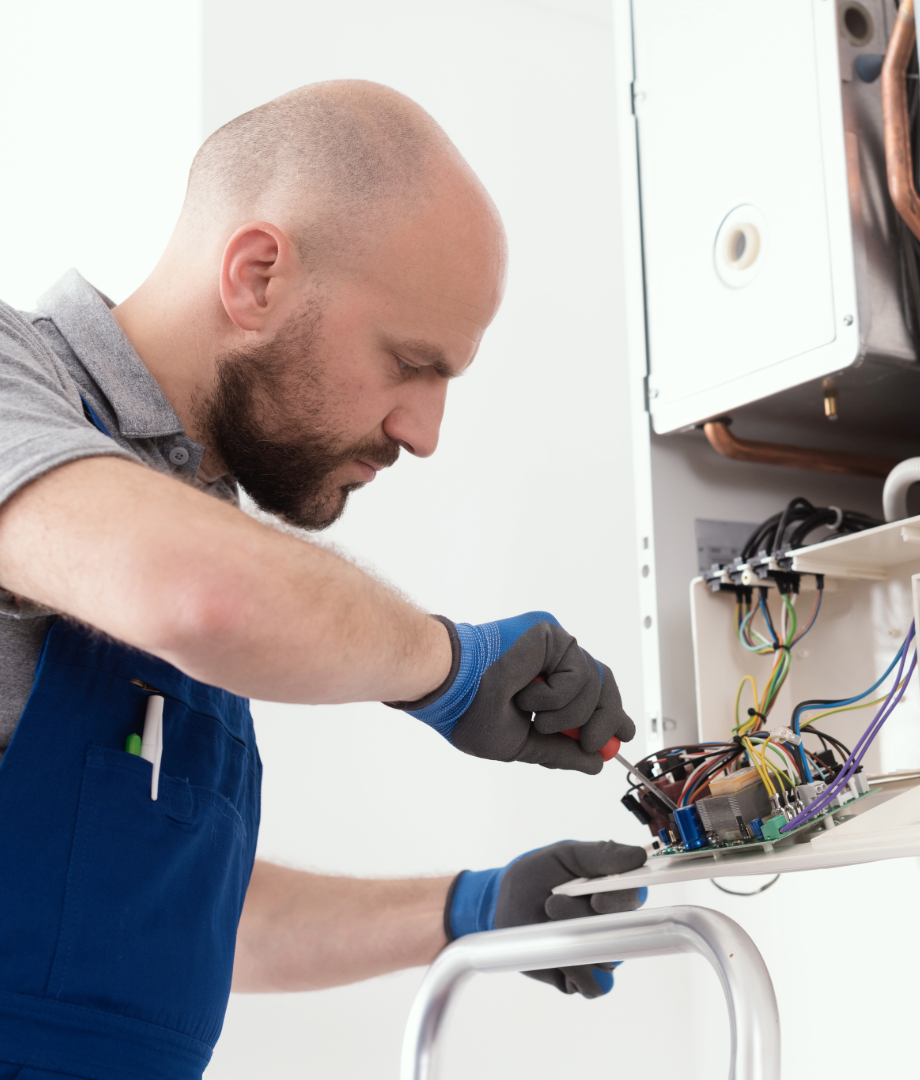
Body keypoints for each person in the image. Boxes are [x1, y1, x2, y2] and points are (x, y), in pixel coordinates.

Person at [0, 81, 647, 1080]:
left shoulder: (195, 523)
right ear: (256, 275)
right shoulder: (23, 394)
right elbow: (196, 593)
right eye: (409, 363)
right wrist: (451, 666)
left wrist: (466, 907)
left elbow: (181, 911)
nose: (424, 433)